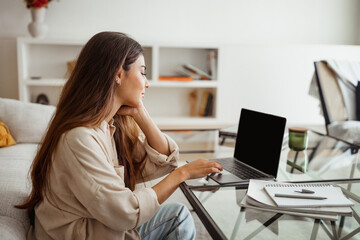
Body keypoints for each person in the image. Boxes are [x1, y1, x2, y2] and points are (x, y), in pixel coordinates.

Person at [16, 31, 223, 240]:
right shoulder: (79, 138)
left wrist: (141, 114)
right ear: (118, 74)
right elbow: (126, 212)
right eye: (142, 72)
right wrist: (182, 174)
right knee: (178, 218)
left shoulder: (107, 126)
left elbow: (165, 161)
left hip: (101, 228)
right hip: (89, 234)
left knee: (178, 215)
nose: (147, 82)